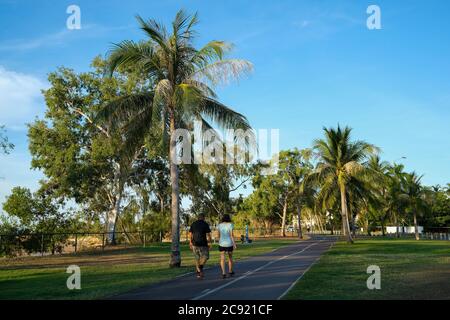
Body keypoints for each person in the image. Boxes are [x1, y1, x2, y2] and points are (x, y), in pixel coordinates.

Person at [189, 213, 212, 279]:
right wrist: (210, 242)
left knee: (197, 258)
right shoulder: (205, 224)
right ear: (203, 217)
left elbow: (191, 234)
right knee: (206, 257)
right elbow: (208, 235)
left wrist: (190, 242)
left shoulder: (193, 224)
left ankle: (199, 271)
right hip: (203, 244)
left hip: (195, 244)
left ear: (198, 217)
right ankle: (200, 268)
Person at [217, 214, 237, 279]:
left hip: (222, 243)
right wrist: (234, 244)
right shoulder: (230, 225)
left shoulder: (219, 225)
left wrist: (219, 242)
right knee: (230, 257)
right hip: (229, 243)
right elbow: (231, 235)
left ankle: (223, 273)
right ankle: (230, 271)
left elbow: (218, 235)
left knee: (222, 258)